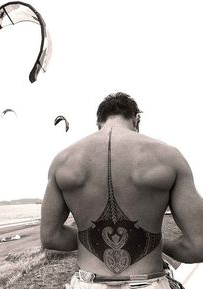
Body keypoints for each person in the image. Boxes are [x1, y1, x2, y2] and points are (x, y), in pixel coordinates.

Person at [40, 92, 203, 289]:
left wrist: (90, 237)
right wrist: (155, 241)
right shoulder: (169, 157)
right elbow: (198, 247)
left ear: (98, 122)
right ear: (136, 120)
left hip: (88, 283)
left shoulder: (63, 160)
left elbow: (51, 237)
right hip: (149, 282)